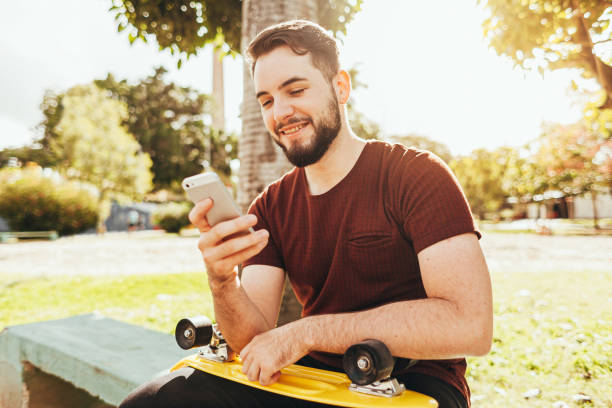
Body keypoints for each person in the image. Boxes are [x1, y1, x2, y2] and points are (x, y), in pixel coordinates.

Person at [120, 20, 492, 408]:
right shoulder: (270, 207)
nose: (280, 112)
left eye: (295, 90)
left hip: (411, 385)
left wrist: (307, 332)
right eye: (266, 100)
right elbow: (253, 340)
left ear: (340, 87)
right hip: (308, 380)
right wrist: (222, 282)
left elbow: (470, 324)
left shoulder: (416, 175)